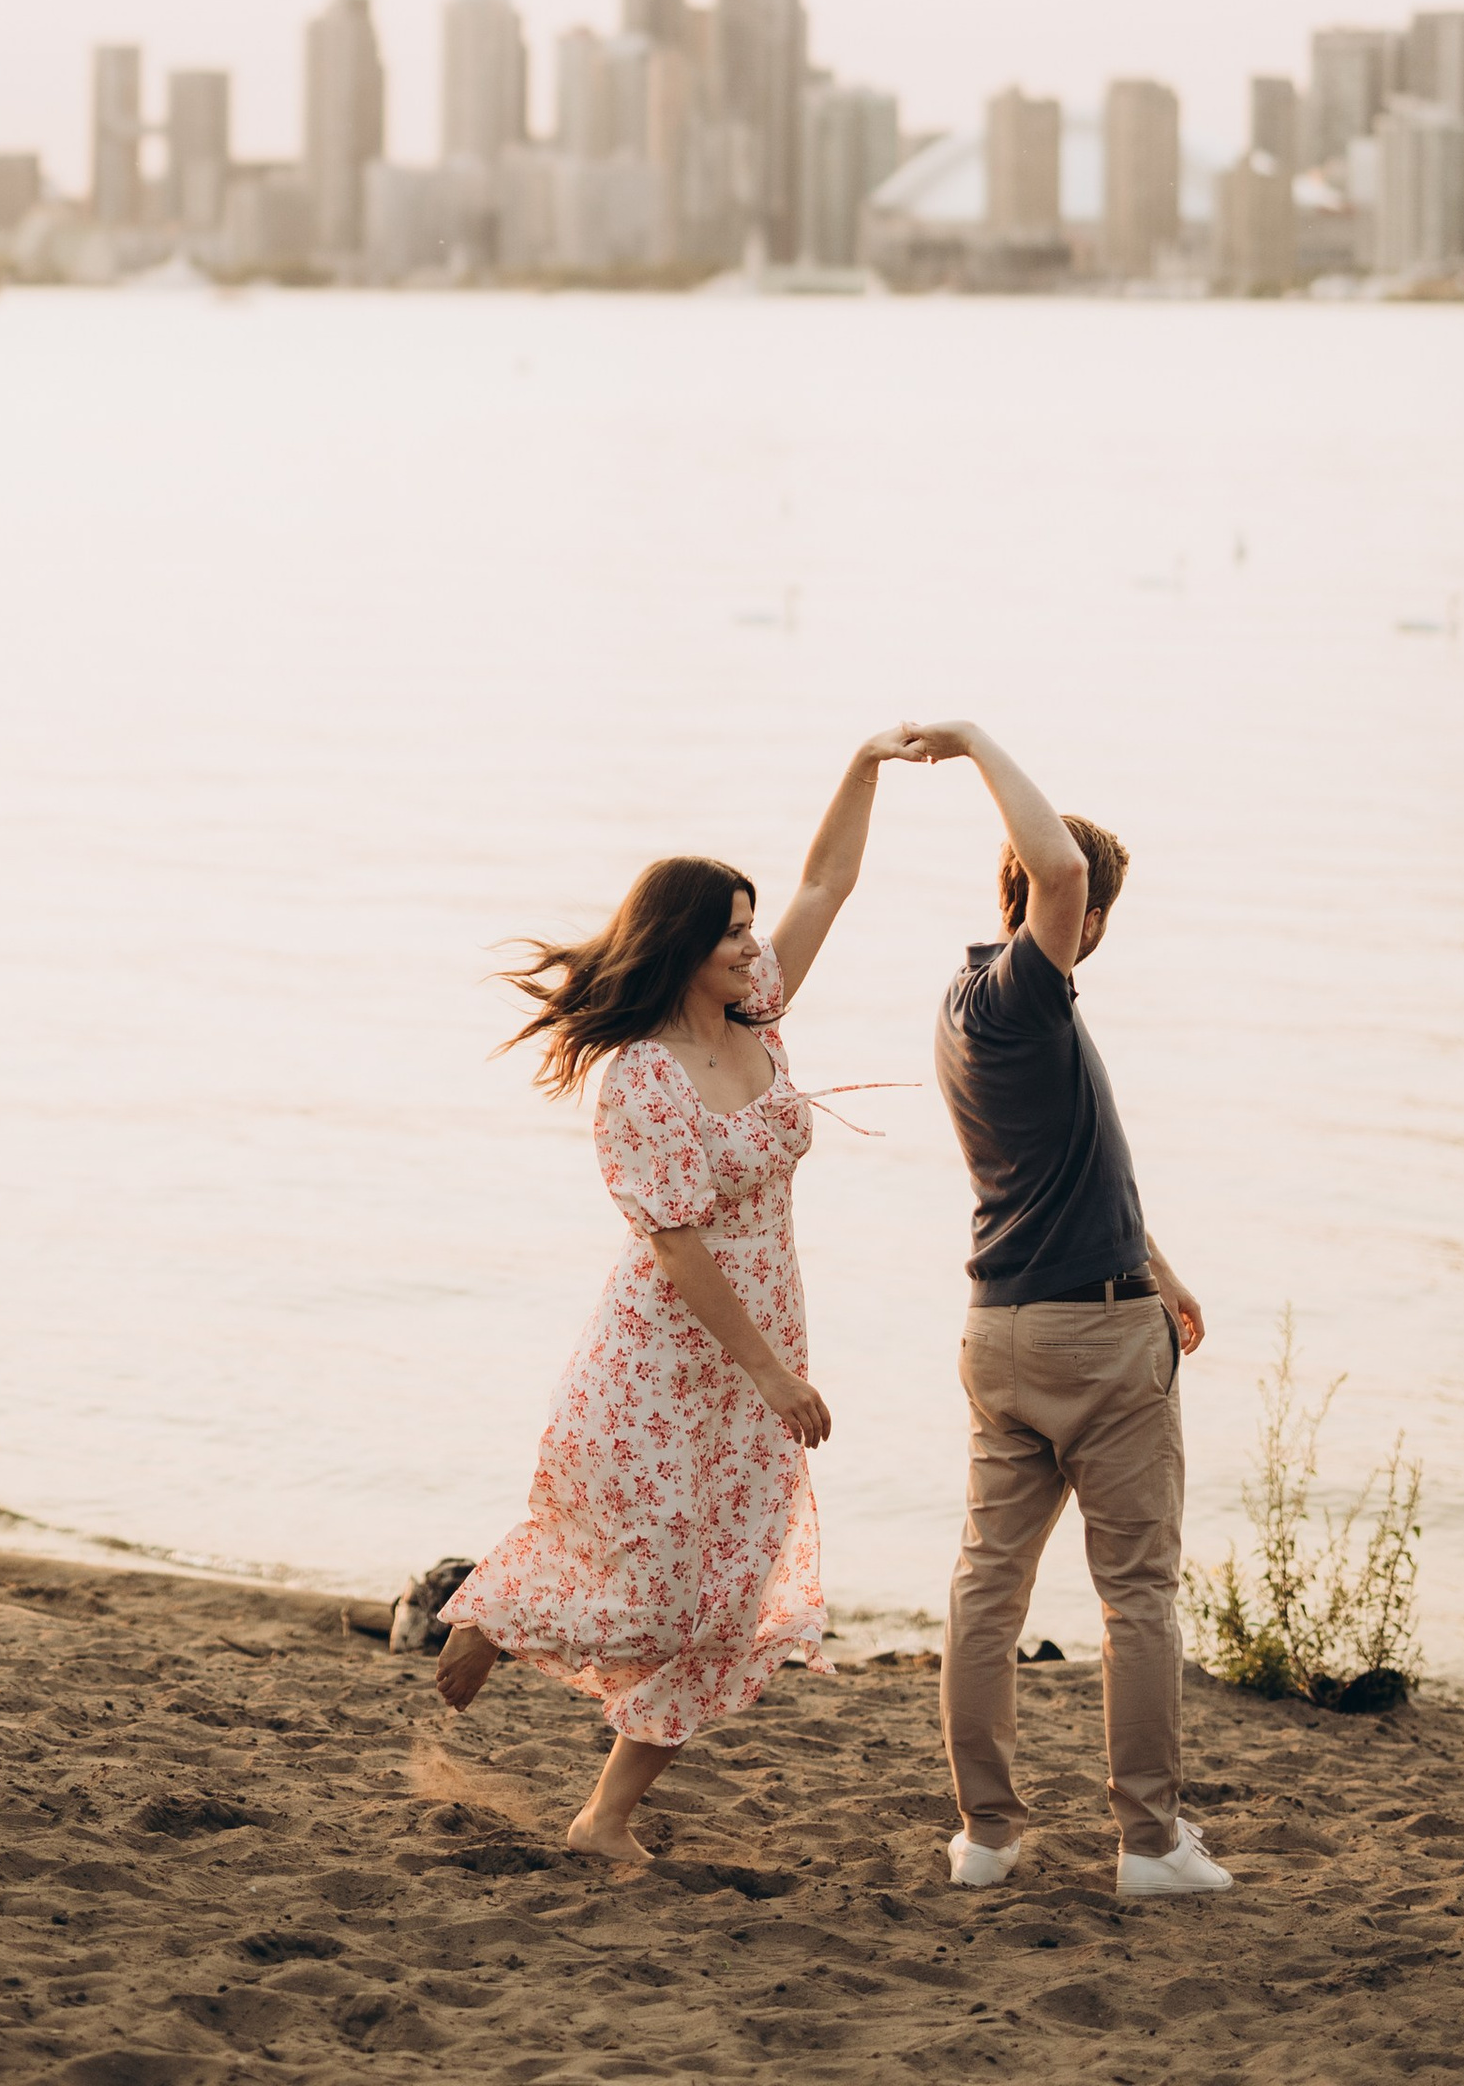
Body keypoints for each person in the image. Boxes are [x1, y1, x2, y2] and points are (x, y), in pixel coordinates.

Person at [433, 727, 927, 1868]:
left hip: (765, 1338)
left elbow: (826, 883)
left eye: (753, 930)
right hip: (668, 1353)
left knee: (729, 1596)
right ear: (685, 949)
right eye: (735, 932)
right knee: (650, 1584)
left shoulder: (755, 1013)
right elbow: (674, 1244)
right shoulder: (642, 1080)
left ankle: (604, 1815)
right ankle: (493, 1610)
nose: (756, 946)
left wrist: (863, 766)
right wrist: (767, 1371)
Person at [910, 718, 1233, 1903]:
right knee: (1136, 1594)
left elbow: (1063, 1167)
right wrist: (973, 744)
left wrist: (1160, 1266)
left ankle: (985, 1838)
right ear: (1069, 916)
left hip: (1003, 1328)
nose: (1095, 922)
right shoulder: (1019, 999)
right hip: (1088, 1340)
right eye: (1093, 910)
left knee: (986, 1587)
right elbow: (1062, 867)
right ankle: (1149, 1845)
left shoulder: (965, 1004)